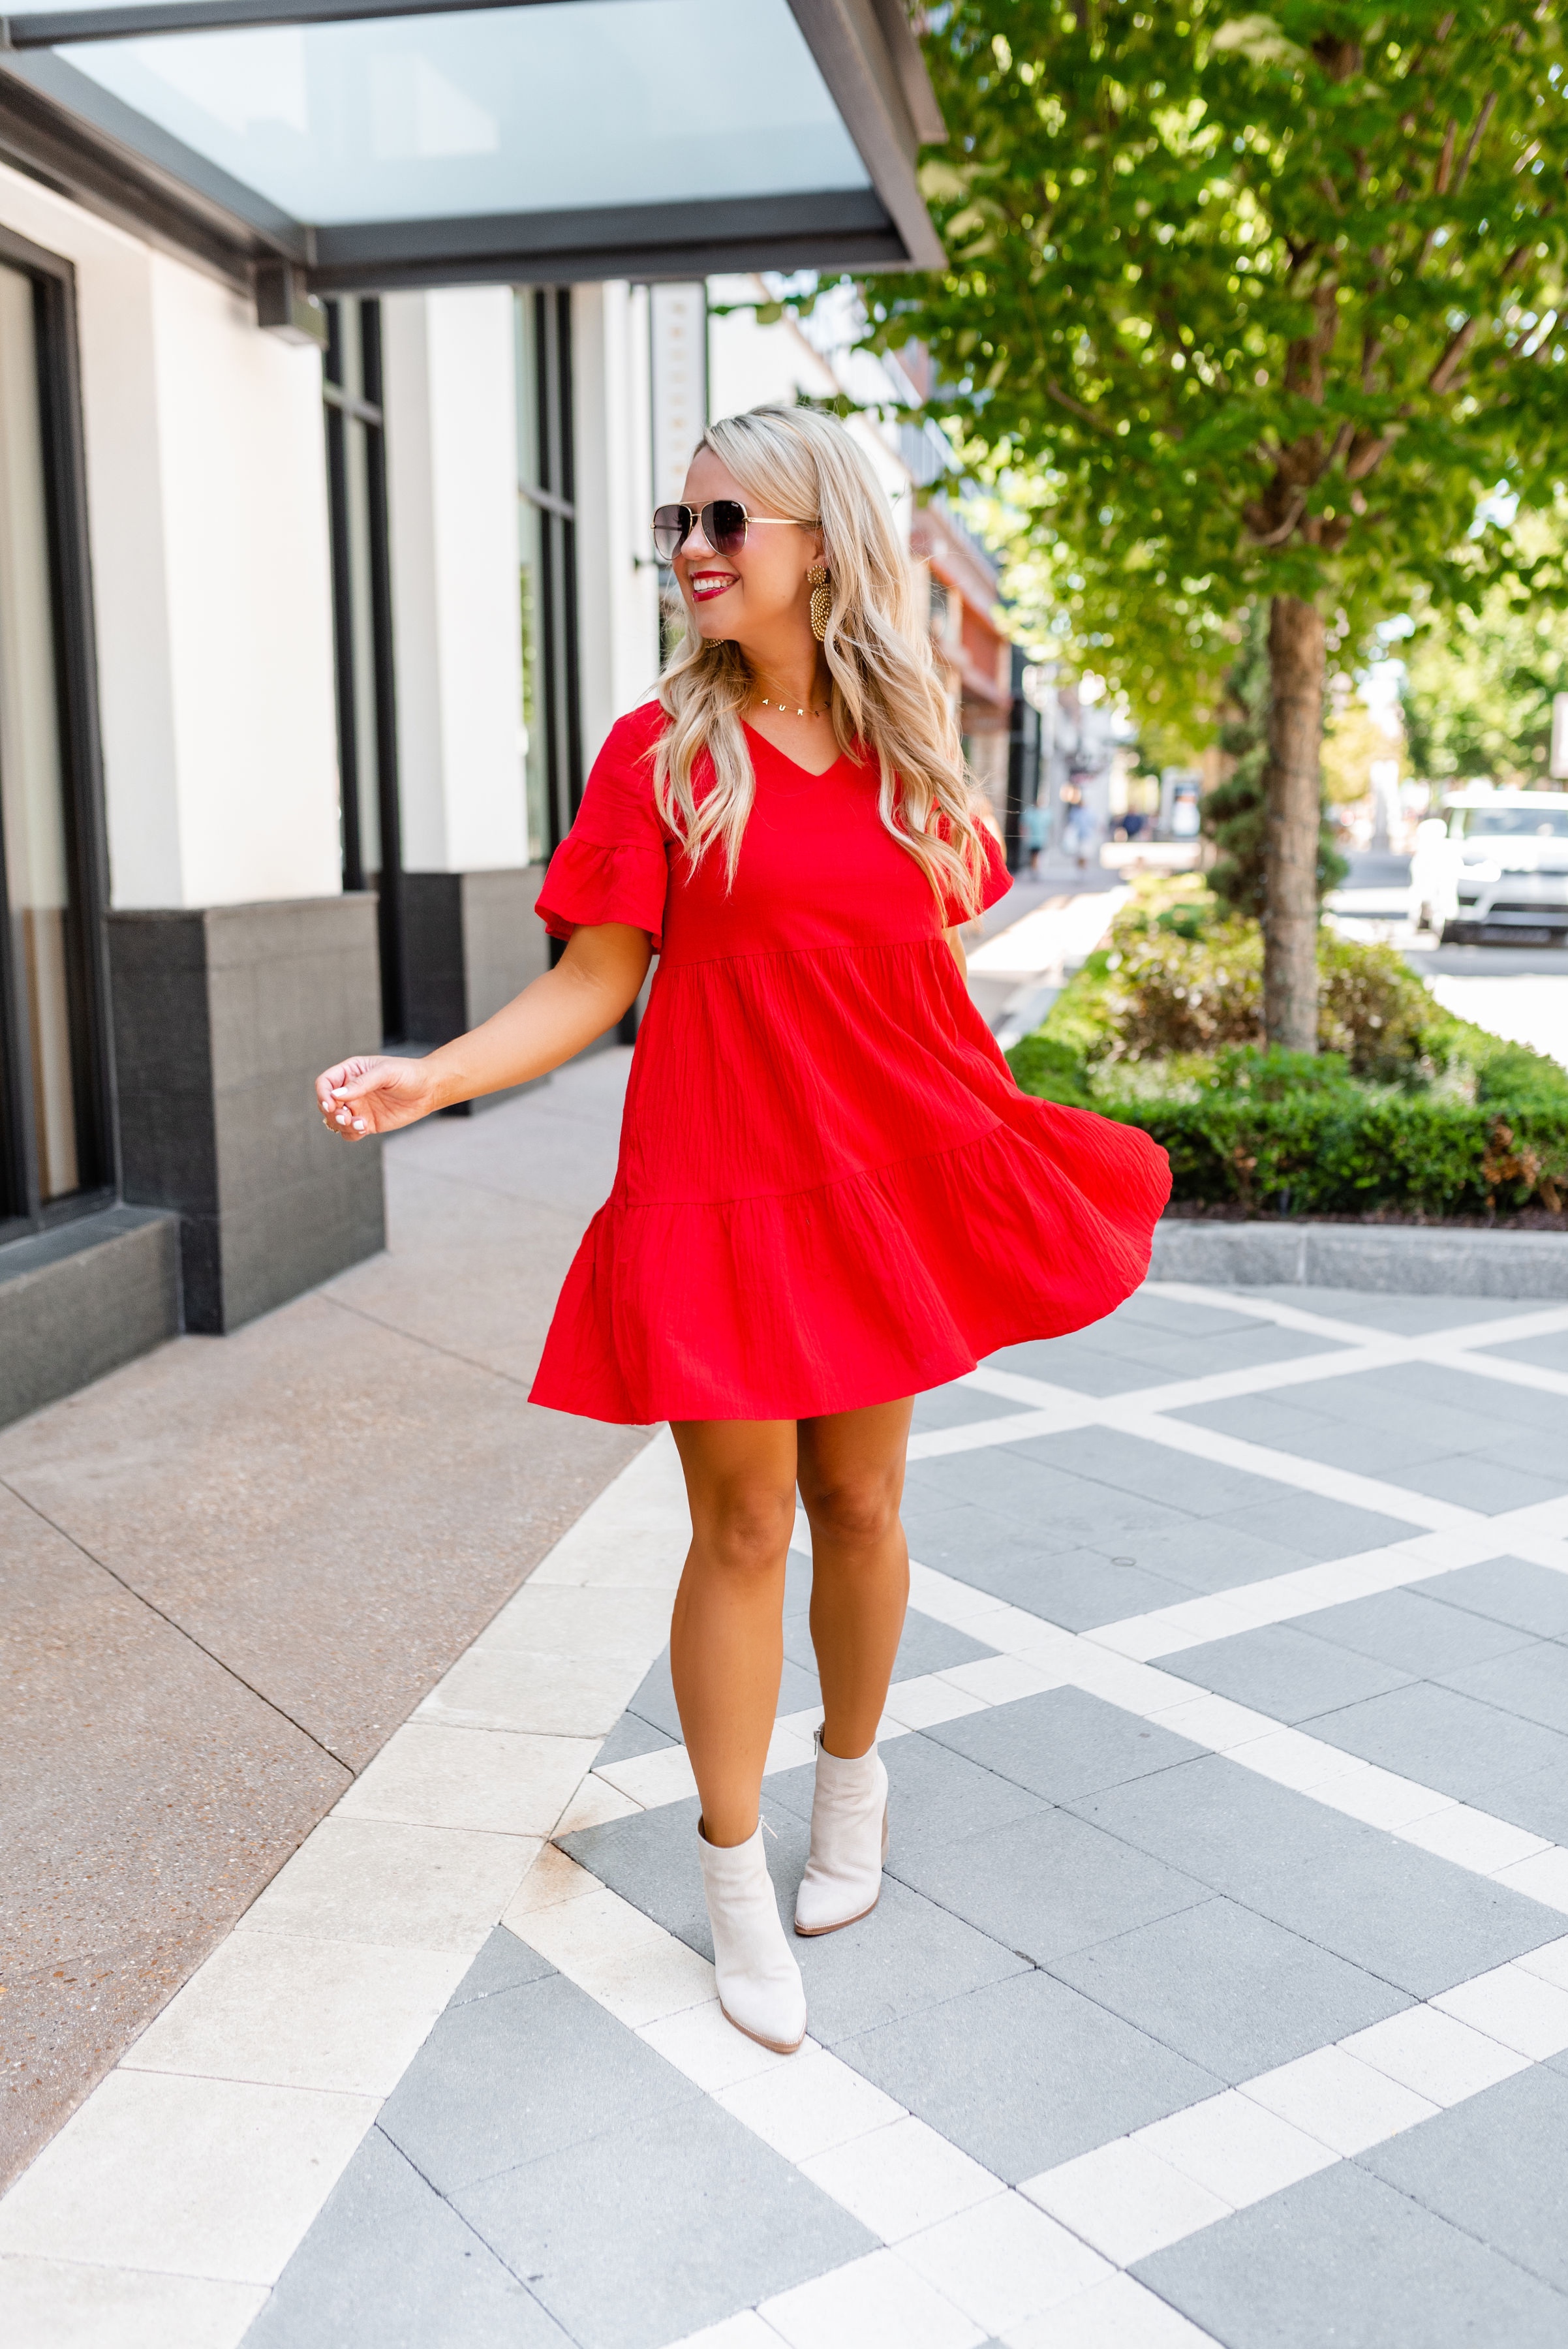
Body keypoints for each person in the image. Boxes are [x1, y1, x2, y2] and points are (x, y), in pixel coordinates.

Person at [315, 407, 1171, 2057]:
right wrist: (437, 1080)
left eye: (729, 520)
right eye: (678, 520)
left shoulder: (918, 755)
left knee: (859, 1498)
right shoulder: (656, 753)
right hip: (719, 1181)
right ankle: (725, 1878)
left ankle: (851, 1791)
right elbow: (591, 980)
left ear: (823, 546)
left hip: (885, 1173)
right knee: (739, 1527)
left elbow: (912, 977)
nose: (694, 548)